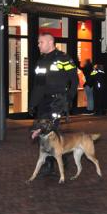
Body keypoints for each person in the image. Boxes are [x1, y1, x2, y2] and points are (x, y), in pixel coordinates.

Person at [28, 33, 78, 176]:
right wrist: (32, 103)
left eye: (41, 42)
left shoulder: (63, 58)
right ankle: (59, 156)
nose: (38, 45)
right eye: (38, 42)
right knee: (41, 131)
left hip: (57, 101)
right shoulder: (41, 61)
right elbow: (38, 85)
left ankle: (50, 164)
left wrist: (68, 99)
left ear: (50, 42)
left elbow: (74, 81)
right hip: (43, 102)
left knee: (50, 130)